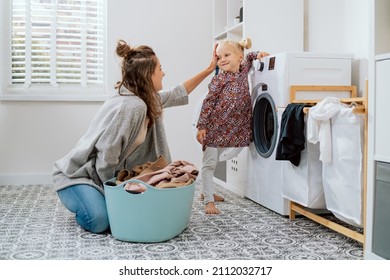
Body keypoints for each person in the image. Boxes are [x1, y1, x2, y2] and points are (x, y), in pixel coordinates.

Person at [52, 39, 218, 233]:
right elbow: (106, 155)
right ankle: (85, 202)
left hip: (100, 174)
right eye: (160, 69)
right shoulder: (131, 106)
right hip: (80, 176)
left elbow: (177, 93)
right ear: (148, 75)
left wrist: (209, 69)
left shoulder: (144, 99)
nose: (164, 73)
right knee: (100, 221)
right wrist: (116, 195)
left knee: (145, 209)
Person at [196, 37, 269, 214]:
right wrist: (202, 126)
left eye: (227, 55)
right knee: (209, 164)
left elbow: (250, 58)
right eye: (219, 57)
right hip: (215, 127)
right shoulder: (219, 80)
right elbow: (208, 102)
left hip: (234, 127)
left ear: (239, 57)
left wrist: (258, 54)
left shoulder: (244, 70)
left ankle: (207, 192)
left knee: (222, 157)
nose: (222, 60)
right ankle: (209, 202)